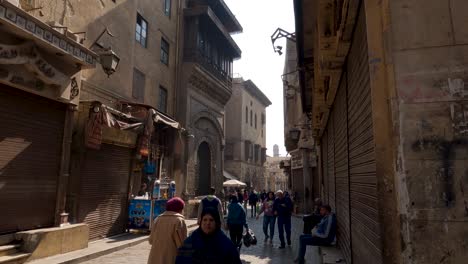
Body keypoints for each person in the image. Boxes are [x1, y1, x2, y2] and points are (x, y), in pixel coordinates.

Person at [176, 208, 241, 264]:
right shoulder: (190, 241)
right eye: (205, 220)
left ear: (216, 223)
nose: (207, 223)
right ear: (201, 222)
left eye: (211, 220)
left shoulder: (226, 244)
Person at [148, 197, 187, 264]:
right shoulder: (179, 221)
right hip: (171, 258)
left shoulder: (158, 219)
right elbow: (182, 244)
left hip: (155, 259)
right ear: (180, 209)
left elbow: (151, 240)